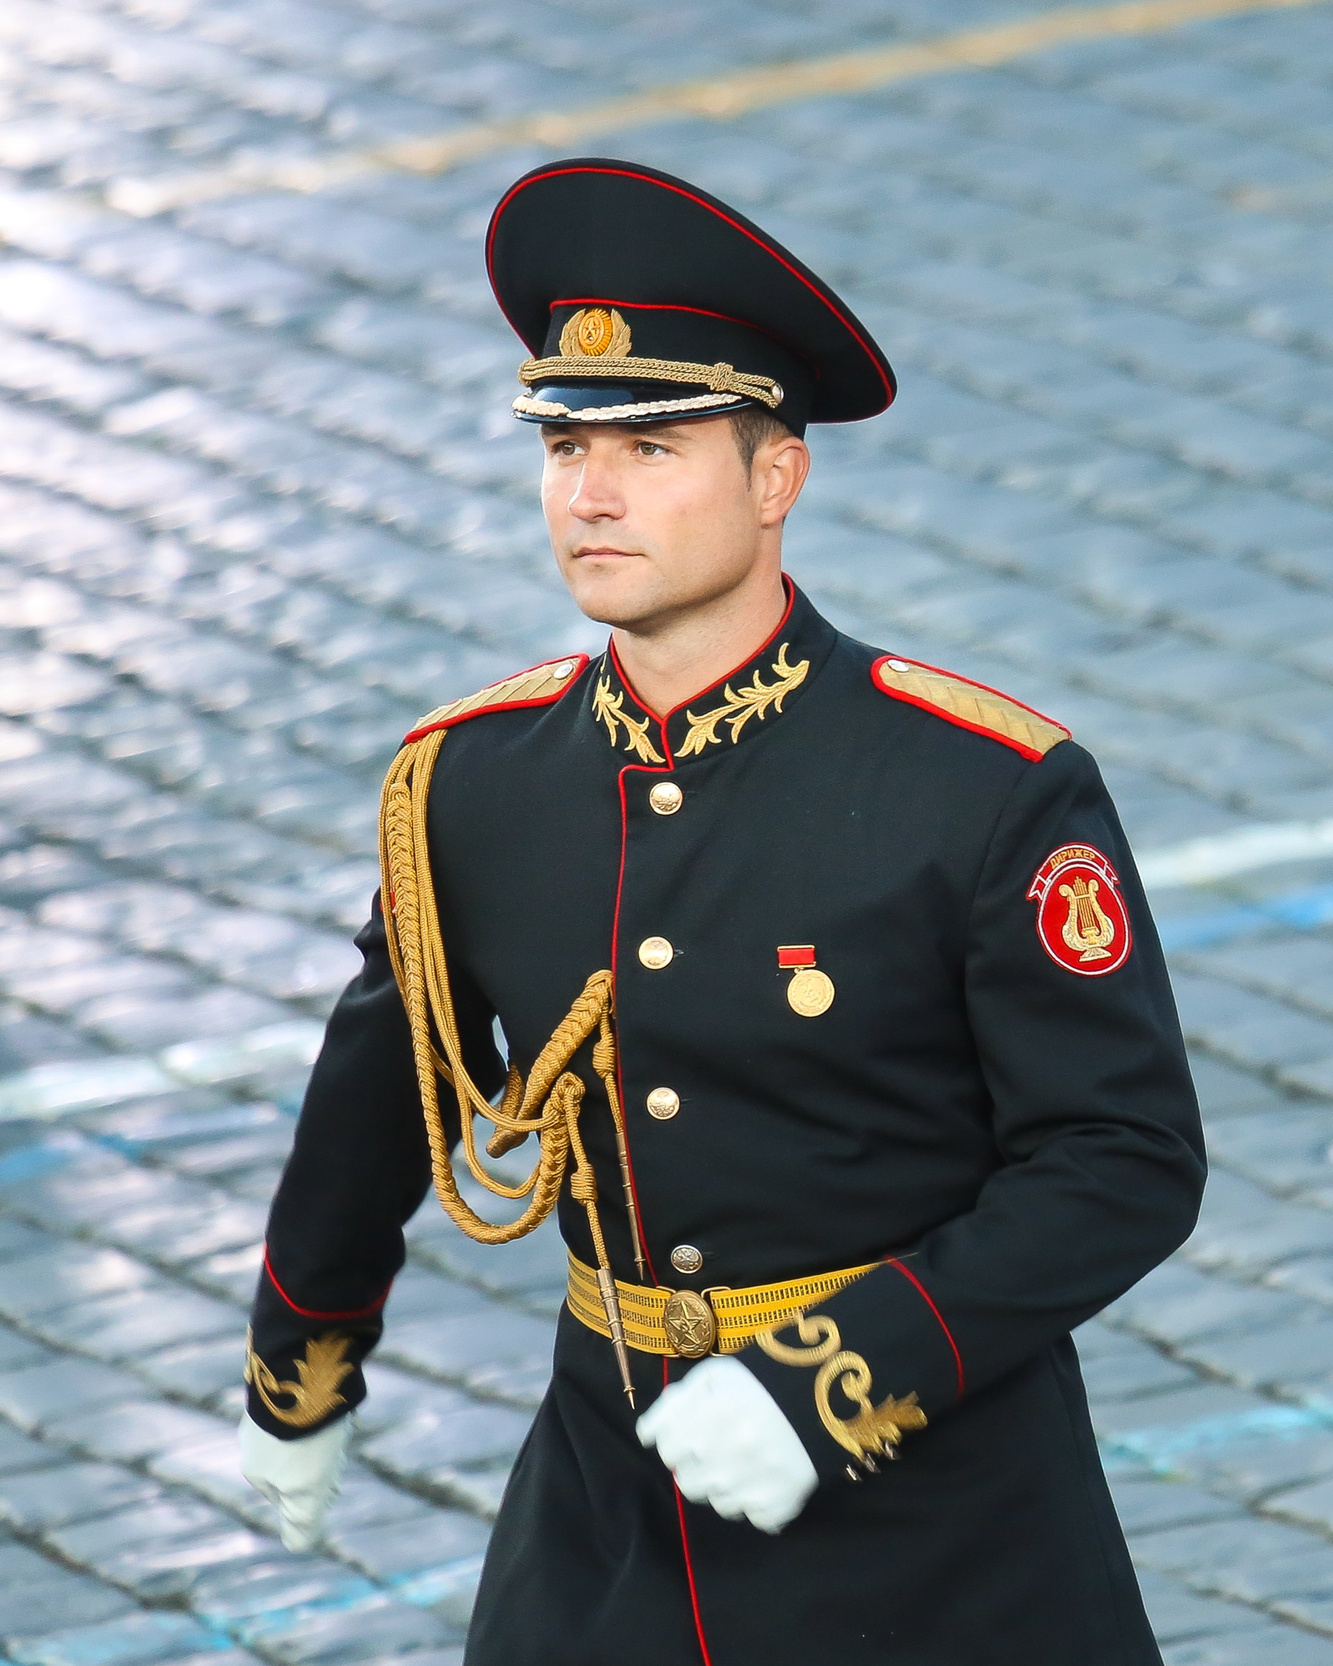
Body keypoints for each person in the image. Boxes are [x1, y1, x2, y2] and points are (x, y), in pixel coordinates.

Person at [237, 157, 1206, 1664]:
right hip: (607, 1523)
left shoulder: (981, 785)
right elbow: (377, 1097)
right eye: (564, 447)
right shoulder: (472, 784)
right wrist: (299, 1363)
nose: (593, 492)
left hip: (942, 1534)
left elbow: (1121, 1157)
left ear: (775, 478)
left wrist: (828, 1378)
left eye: (654, 446)